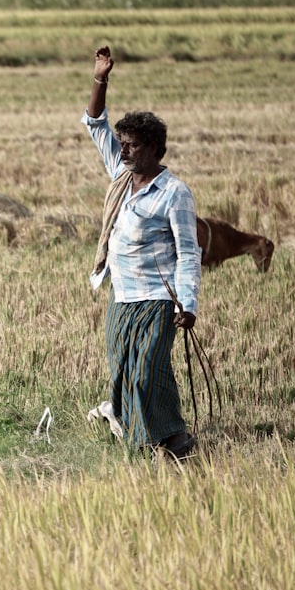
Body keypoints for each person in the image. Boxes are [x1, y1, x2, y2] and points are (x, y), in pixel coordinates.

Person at [82, 46, 201, 460]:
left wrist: (188, 303)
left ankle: (161, 440)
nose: (124, 150)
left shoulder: (174, 193)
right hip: (122, 294)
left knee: (147, 371)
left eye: (131, 145)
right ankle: (168, 439)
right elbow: (95, 122)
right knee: (123, 371)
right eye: (122, 144)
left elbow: (188, 253)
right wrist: (101, 77)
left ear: (153, 149)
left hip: (156, 296)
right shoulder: (121, 175)